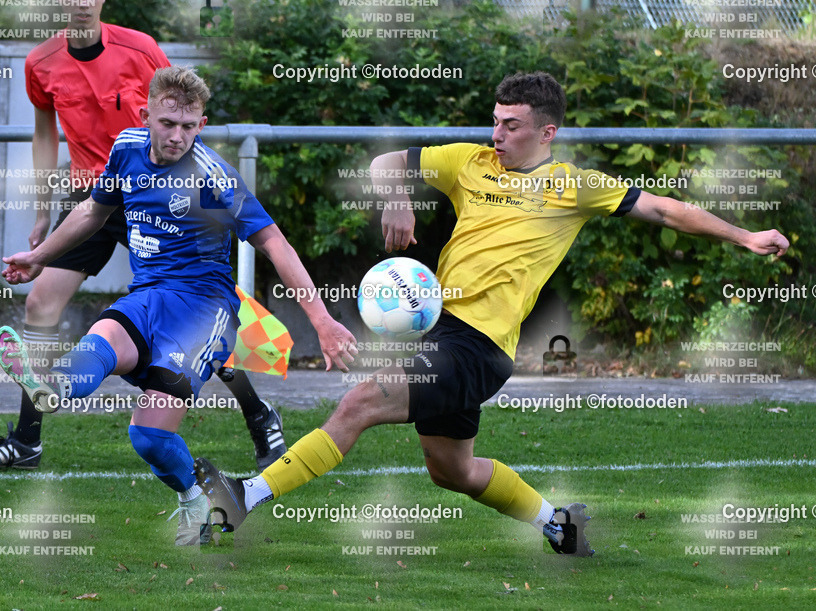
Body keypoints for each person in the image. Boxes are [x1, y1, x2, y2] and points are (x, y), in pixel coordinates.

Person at [194, 71, 790, 556]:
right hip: (444, 333)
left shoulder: (574, 187)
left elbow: (663, 211)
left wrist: (743, 237)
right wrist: (398, 197)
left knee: (359, 402)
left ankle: (247, 494)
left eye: (511, 125)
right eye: (495, 120)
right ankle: (559, 524)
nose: (497, 134)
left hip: (479, 344)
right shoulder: (468, 161)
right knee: (454, 471)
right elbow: (384, 165)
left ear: (546, 132)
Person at [0, 65, 357, 545]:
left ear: (201, 126)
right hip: (148, 297)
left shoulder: (214, 178)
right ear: (146, 115)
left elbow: (276, 245)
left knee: (149, 438)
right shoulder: (126, 150)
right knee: (100, 344)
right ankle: (52, 386)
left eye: (189, 127)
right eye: (167, 123)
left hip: (203, 311)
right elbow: (92, 211)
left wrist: (322, 319)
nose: (177, 136)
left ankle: (193, 499)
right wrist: (39, 257)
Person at [0, 0, 286, 472]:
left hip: (161, 196)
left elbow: (182, 112)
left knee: (195, 318)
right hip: (94, 198)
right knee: (40, 303)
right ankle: (26, 441)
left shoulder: (140, 50)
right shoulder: (40, 63)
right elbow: (44, 138)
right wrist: (43, 214)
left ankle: (259, 415)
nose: (84, 2)